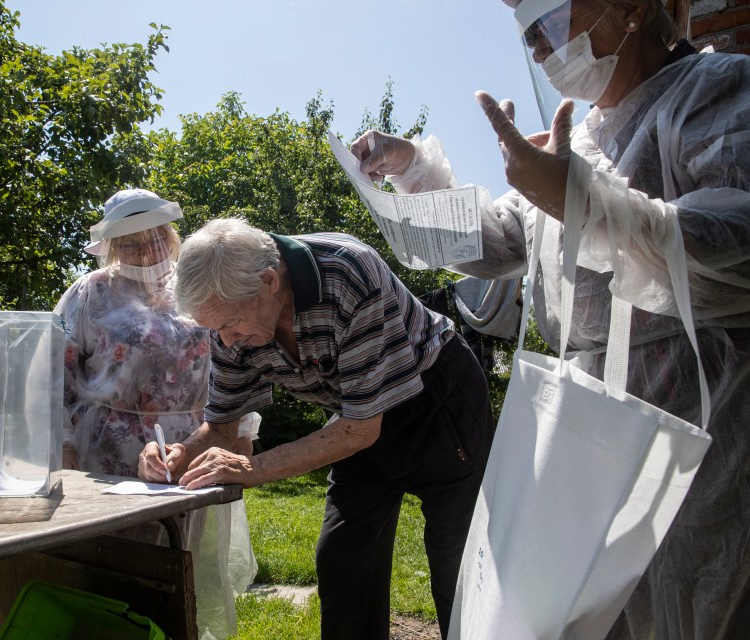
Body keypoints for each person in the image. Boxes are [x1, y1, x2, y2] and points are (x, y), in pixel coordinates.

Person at [350, 1, 750, 638]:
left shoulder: (718, 90)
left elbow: (733, 242)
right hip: (591, 411)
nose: (537, 46)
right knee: (594, 607)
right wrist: (412, 173)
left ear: (633, 7)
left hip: (702, 405)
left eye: (550, 22)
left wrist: (581, 199)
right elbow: (501, 242)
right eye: (528, 32)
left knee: (698, 597)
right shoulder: (585, 139)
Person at [137, 217, 495, 640]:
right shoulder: (230, 320)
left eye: (231, 325)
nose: (227, 342)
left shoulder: (347, 272)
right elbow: (220, 427)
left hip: (437, 402)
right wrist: (180, 453)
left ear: (269, 280)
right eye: (217, 330)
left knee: (459, 568)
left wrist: (252, 469)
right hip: (354, 415)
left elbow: (362, 429)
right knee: (343, 560)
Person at [55, 189, 258, 640]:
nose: (146, 250)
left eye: (156, 237)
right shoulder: (91, 292)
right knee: (117, 561)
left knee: (180, 560)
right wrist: (64, 445)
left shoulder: (193, 285)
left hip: (194, 443)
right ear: (110, 246)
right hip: (107, 451)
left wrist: (242, 429)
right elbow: (56, 375)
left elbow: (233, 354)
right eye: (130, 242)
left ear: (172, 234)